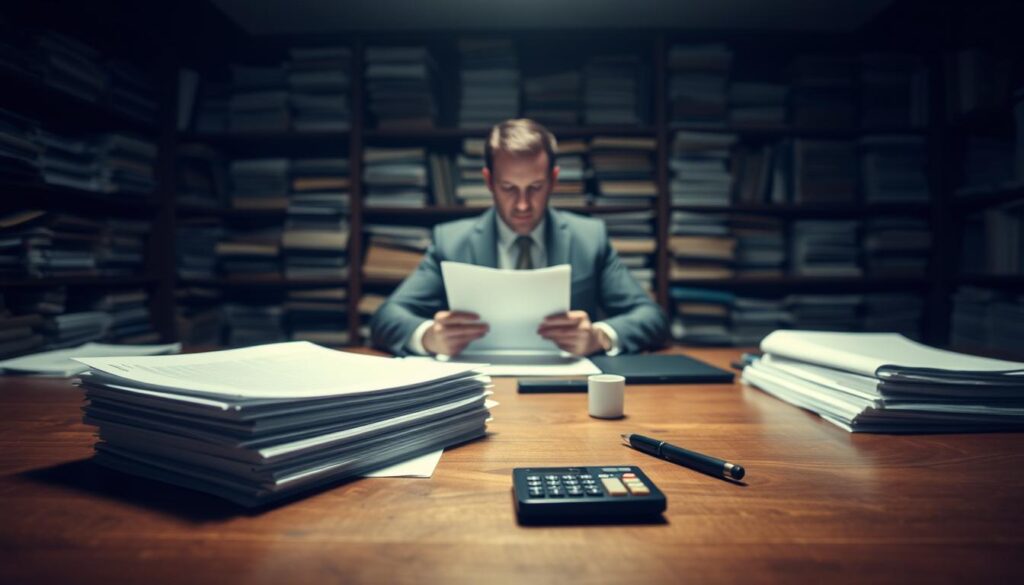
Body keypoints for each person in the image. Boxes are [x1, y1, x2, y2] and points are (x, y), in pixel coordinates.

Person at [370, 118, 669, 357]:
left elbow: (652, 318)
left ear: (553, 179)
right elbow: (386, 317)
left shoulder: (589, 238)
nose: (523, 205)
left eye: (535, 187)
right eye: (509, 188)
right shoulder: (451, 241)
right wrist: (428, 337)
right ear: (489, 181)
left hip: (566, 394)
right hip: (478, 386)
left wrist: (599, 336)